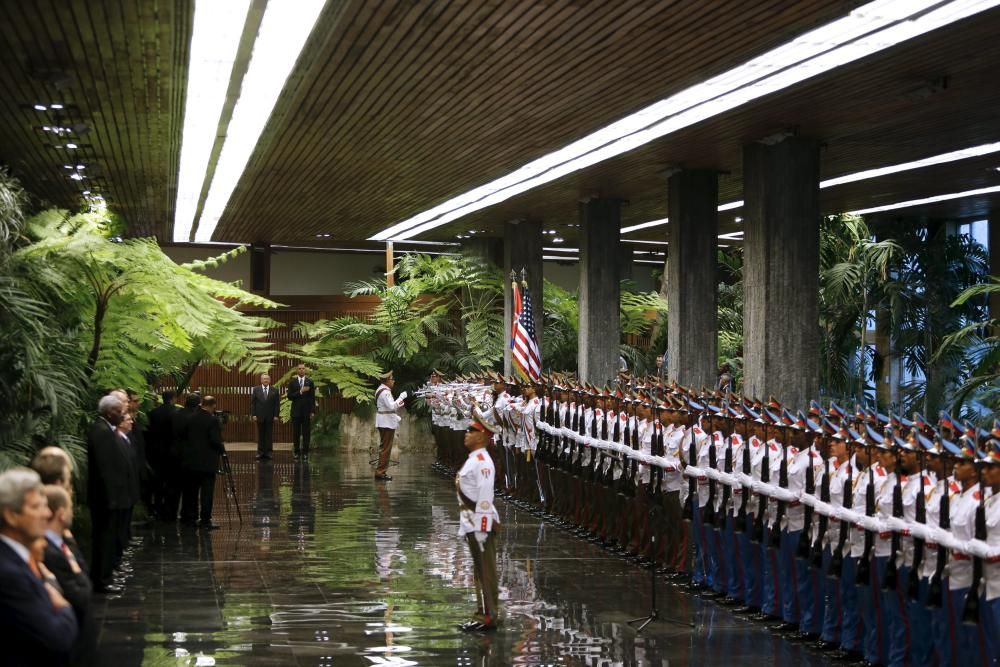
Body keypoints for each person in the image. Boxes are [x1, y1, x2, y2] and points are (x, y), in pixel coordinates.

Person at [0, 467, 79, 666]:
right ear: (11, 516)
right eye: (36, 507)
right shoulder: (9, 574)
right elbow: (59, 638)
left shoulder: (21, 558)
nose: (47, 513)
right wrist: (64, 606)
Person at [456, 408, 501, 632]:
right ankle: (484, 612)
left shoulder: (482, 461)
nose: (467, 433)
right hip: (471, 521)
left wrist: (482, 529)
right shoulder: (475, 459)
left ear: (482, 436)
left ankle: (488, 616)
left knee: (485, 572)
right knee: (480, 571)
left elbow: (484, 498)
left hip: (479, 523)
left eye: (471, 430)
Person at [41, 484, 97, 667]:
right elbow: (82, 594)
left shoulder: (63, 544)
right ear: (61, 514)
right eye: (71, 507)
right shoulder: (51, 552)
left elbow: (83, 571)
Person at [86, 394, 131, 594]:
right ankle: (101, 580)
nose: (122, 415)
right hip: (105, 498)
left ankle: (105, 576)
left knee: (108, 538)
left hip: (110, 497)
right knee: (104, 539)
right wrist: (111, 498)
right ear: (109, 412)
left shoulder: (105, 429)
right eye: (119, 411)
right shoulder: (102, 431)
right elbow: (105, 469)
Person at [180, 396, 225, 529]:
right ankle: (205, 519)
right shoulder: (213, 420)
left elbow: (183, 435)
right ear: (213, 406)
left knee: (192, 491)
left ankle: (191, 518)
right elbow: (215, 439)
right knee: (207, 492)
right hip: (207, 462)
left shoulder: (190, 418)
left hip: (191, 461)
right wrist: (221, 449)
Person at [145, 390, 177, 520]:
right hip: (172, 452)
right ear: (173, 398)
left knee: (158, 481)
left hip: (156, 451)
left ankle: (157, 507)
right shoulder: (177, 412)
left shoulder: (153, 413)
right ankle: (168, 509)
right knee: (171, 481)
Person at [374, 371, 407, 481]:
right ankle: (381, 472)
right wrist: (401, 398)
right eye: (392, 379)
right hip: (386, 422)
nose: (393, 381)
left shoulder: (381, 389)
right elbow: (391, 406)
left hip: (384, 421)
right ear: (387, 380)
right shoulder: (385, 392)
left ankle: (381, 471)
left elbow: (388, 407)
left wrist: (398, 403)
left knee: (384, 447)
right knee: (386, 448)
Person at [287, 363, 316, 459]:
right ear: (297, 370)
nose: (301, 370)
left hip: (307, 412)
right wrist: (300, 392)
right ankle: (296, 452)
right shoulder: (292, 382)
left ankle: (305, 453)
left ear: (305, 370)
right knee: (296, 432)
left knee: (306, 432)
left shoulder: (310, 382)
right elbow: (289, 397)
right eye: (299, 369)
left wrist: (312, 411)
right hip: (296, 412)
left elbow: (312, 398)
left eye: (303, 369)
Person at [251, 373, 280, 460]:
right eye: (264, 379)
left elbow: (277, 404)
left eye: (267, 379)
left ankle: (269, 453)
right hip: (259, 416)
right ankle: (260, 452)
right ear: (261, 380)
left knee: (269, 435)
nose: (266, 380)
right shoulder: (256, 389)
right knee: (261, 435)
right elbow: (253, 404)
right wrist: (254, 414)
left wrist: (276, 415)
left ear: (270, 380)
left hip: (270, 416)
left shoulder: (275, 390)